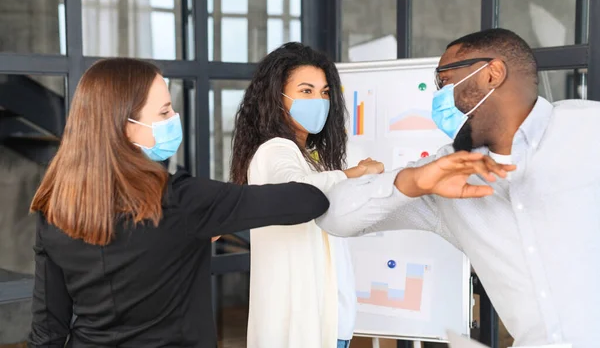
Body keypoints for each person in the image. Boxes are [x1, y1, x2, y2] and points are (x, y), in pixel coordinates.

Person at [317, 28, 600, 348]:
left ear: (492, 73)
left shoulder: (590, 129)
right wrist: (411, 183)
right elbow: (332, 215)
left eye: (446, 82)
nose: (439, 99)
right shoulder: (443, 175)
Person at [27, 58, 331, 348]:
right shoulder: (182, 200)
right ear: (125, 126)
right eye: (163, 113)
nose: (174, 119)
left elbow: (48, 329)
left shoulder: (55, 207)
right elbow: (309, 200)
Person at [230, 42, 384, 348]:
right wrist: (355, 173)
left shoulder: (311, 157)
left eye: (325, 92)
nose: (319, 101)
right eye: (306, 91)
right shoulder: (276, 149)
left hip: (328, 319)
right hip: (302, 327)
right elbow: (297, 190)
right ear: (276, 98)